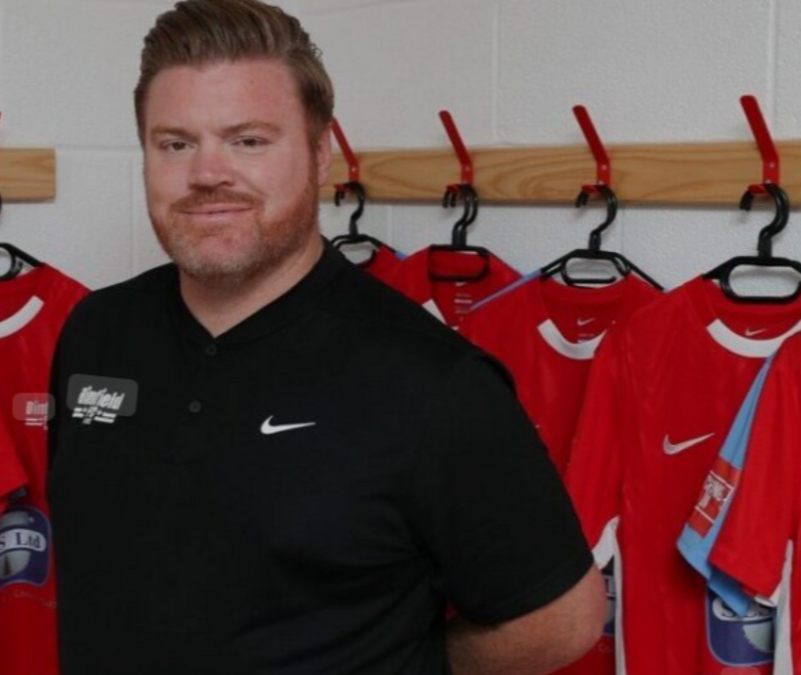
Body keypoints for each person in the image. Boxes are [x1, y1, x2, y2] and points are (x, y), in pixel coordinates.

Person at [47, 1, 606, 673]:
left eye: (249, 141)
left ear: (320, 156)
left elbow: (563, 619)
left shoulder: (431, 382)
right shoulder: (95, 332)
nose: (207, 173)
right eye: (175, 144)